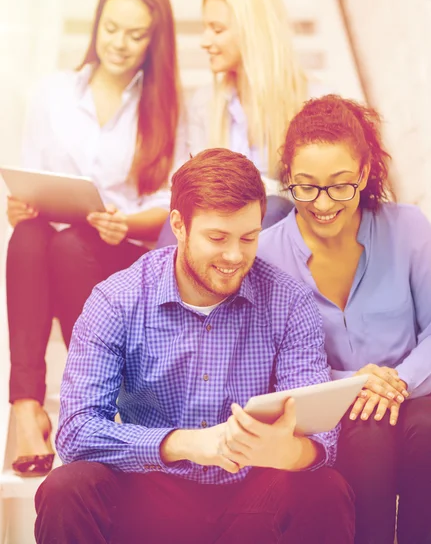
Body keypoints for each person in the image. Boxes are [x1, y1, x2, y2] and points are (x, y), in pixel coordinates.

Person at [34, 149, 354, 544]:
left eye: (249, 237)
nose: (235, 256)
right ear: (179, 226)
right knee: (65, 489)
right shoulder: (116, 299)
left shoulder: (289, 301)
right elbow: (76, 433)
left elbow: (323, 442)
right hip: (150, 492)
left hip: (250, 498)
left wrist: (283, 451)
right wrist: (186, 443)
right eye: (217, 238)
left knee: (326, 490)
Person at [6, 0, 187, 478]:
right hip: (59, 247)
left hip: (123, 252)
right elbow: (31, 176)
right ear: (96, 26)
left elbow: (175, 197)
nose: (120, 44)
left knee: (68, 246)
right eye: (112, 29)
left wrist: (127, 219)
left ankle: (92, 396)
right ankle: (26, 405)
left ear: (155, 40)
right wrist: (19, 206)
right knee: (28, 235)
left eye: (136, 34)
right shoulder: (52, 93)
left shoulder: (170, 102)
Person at [258, 95, 431, 544]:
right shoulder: (265, 255)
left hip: (414, 394)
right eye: (306, 186)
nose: (323, 203)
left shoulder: (409, 228)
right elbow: (269, 361)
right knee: (366, 437)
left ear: (365, 173)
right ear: (288, 180)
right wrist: (356, 383)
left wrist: (396, 382)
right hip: (331, 410)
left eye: (340, 185)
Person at [157, 0, 306, 246]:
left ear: (252, 32)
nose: (204, 41)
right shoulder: (205, 103)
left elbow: (310, 191)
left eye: (217, 29)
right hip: (217, 219)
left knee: (270, 209)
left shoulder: (310, 102)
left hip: (276, 223)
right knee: (178, 223)